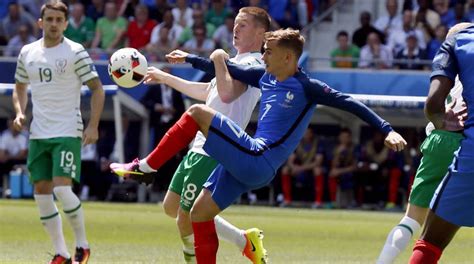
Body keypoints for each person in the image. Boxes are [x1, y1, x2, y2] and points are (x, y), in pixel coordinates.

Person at [113, 28, 407, 264]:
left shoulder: (308, 87)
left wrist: (387, 129)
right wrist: (190, 59)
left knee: (196, 114)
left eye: (269, 52)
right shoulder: (266, 77)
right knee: (198, 214)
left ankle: (146, 168)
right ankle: (241, 243)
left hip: (258, 156)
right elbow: (226, 68)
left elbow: (350, 103)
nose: (263, 56)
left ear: (289, 58)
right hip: (249, 162)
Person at [113, 7, 272, 264]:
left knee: (187, 216)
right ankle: (244, 241)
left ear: (261, 32)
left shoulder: (252, 64)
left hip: (215, 150)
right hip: (198, 147)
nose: (235, 28)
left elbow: (228, 93)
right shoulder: (236, 62)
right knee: (171, 207)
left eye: (243, 24)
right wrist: (164, 77)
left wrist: (219, 58)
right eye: (235, 23)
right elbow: (207, 92)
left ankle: (193, 257)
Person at [12, 1, 105, 263]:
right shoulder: (27, 52)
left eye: (58, 20)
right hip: (39, 133)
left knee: (63, 190)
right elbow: (19, 86)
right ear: (40, 22)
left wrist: (93, 124)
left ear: (65, 23)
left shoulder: (75, 52)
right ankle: (61, 253)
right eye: (49, 19)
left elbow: (97, 89)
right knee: (41, 194)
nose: (53, 24)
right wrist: (20, 112)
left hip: (67, 130)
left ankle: (83, 246)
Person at [377, 24, 468, 263]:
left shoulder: (450, 69)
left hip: (440, 139)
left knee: (411, 220)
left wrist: (440, 129)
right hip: (467, 141)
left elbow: (432, 104)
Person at [407, 22, 474, 264]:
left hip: (456, 147)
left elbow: (433, 103)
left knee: (428, 240)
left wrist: (439, 119)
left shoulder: (460, 40)